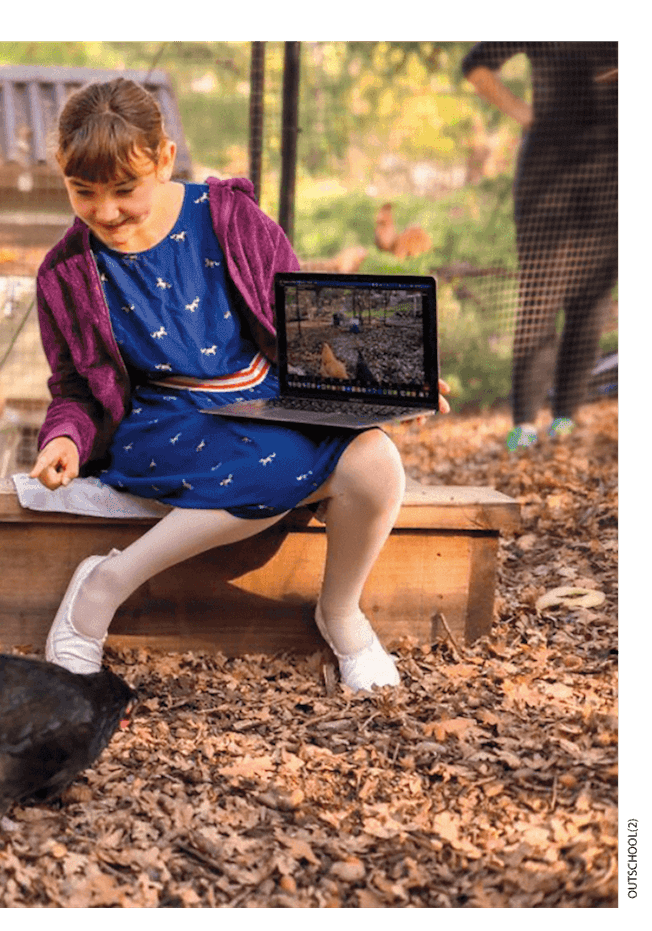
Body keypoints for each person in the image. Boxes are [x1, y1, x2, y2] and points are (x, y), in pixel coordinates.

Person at [31, 79, 446, 692]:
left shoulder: (230, 219)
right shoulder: (66, 271)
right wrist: (64, 437)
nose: (106, 211)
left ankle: (340, 612)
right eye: (83, 192)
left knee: (378, 462)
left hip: (263, 400)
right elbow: (73, 388)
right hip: (164, 419)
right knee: (277, 463)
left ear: (165, 158)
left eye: (125, 190)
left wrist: (391, 383)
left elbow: (309, 330)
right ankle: (105, 584)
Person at [463, 42, 618, 451]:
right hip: (546, 178)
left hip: (609, 177)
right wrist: (525, 115)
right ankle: (526, 423)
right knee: (539, 298)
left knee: (591, 305)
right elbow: (477, 66)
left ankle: (565, 417)